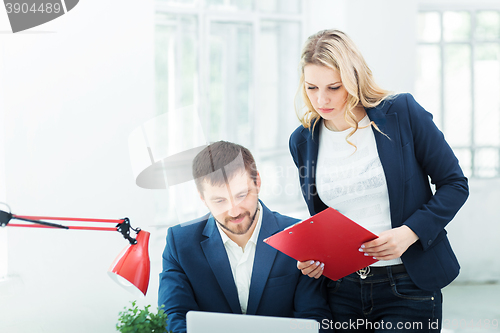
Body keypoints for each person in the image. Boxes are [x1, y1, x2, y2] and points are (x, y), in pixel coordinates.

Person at [289, 29, 469, 332]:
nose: (321, 99)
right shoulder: (303, 140)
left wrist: (410, 232)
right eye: (311, 87)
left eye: (334, 87)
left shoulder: (401, 113)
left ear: (354, 78)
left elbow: (454, 184)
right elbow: (323, 218)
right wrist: (315, 258)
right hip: (342, 291)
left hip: (408, 285)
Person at [158, 141, 332, 333]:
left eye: (241, 195)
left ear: (257, 182)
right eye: (219, 200)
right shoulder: (180, 243)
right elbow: (173, 317)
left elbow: (315, 320)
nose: (234, 211)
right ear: (202, 198)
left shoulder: (300, 235)